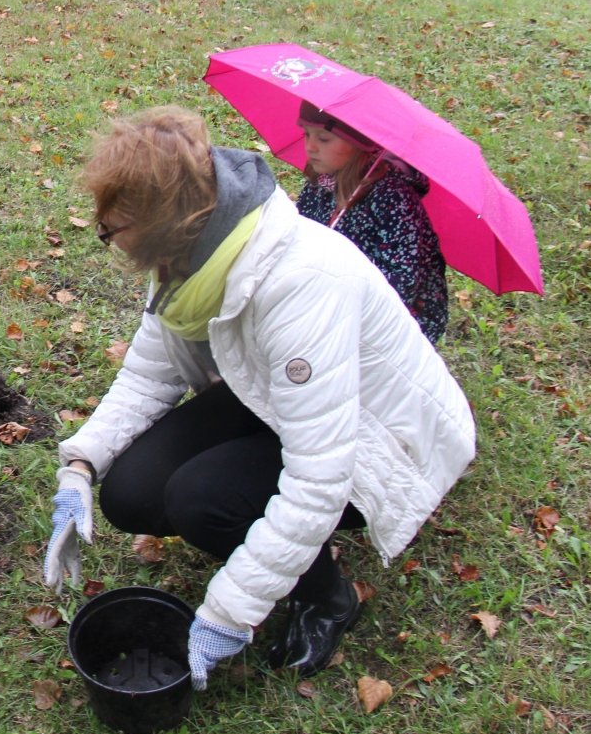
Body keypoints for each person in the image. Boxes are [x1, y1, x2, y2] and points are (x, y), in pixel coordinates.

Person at [43, 107, 474, 688]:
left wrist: (227, 611)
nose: (111, 244)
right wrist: (80, 466)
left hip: (378, 436)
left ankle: (328, 598)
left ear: (167, 221)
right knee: (130, 492)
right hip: (274, 394)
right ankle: (248, 521)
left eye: (114, 232)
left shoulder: (300, 285)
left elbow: (320, 477)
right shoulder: (193, 254)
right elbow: (149, 374)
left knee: (200, 500)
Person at [294, 100, 449, 343]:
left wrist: (343, 305)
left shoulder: (393, 198)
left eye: (324, 139)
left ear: (358, 144)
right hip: (330, 296)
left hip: (395, 314)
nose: (311, 147)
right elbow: (298, 236)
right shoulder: (320, 186)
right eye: (306, 134)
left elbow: (404, 278)